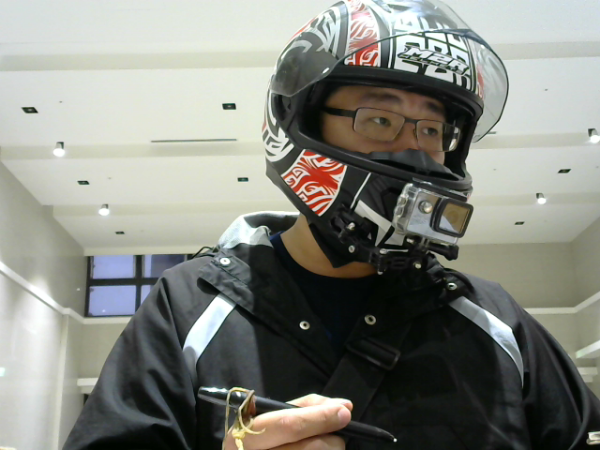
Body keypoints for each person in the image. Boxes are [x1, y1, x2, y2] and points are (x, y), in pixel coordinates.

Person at [64, 0, 600, 449]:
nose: (416, 150)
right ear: (300, 122)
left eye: (433, 129)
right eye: (380, 119)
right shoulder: (189, 308)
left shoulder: (495, 321)